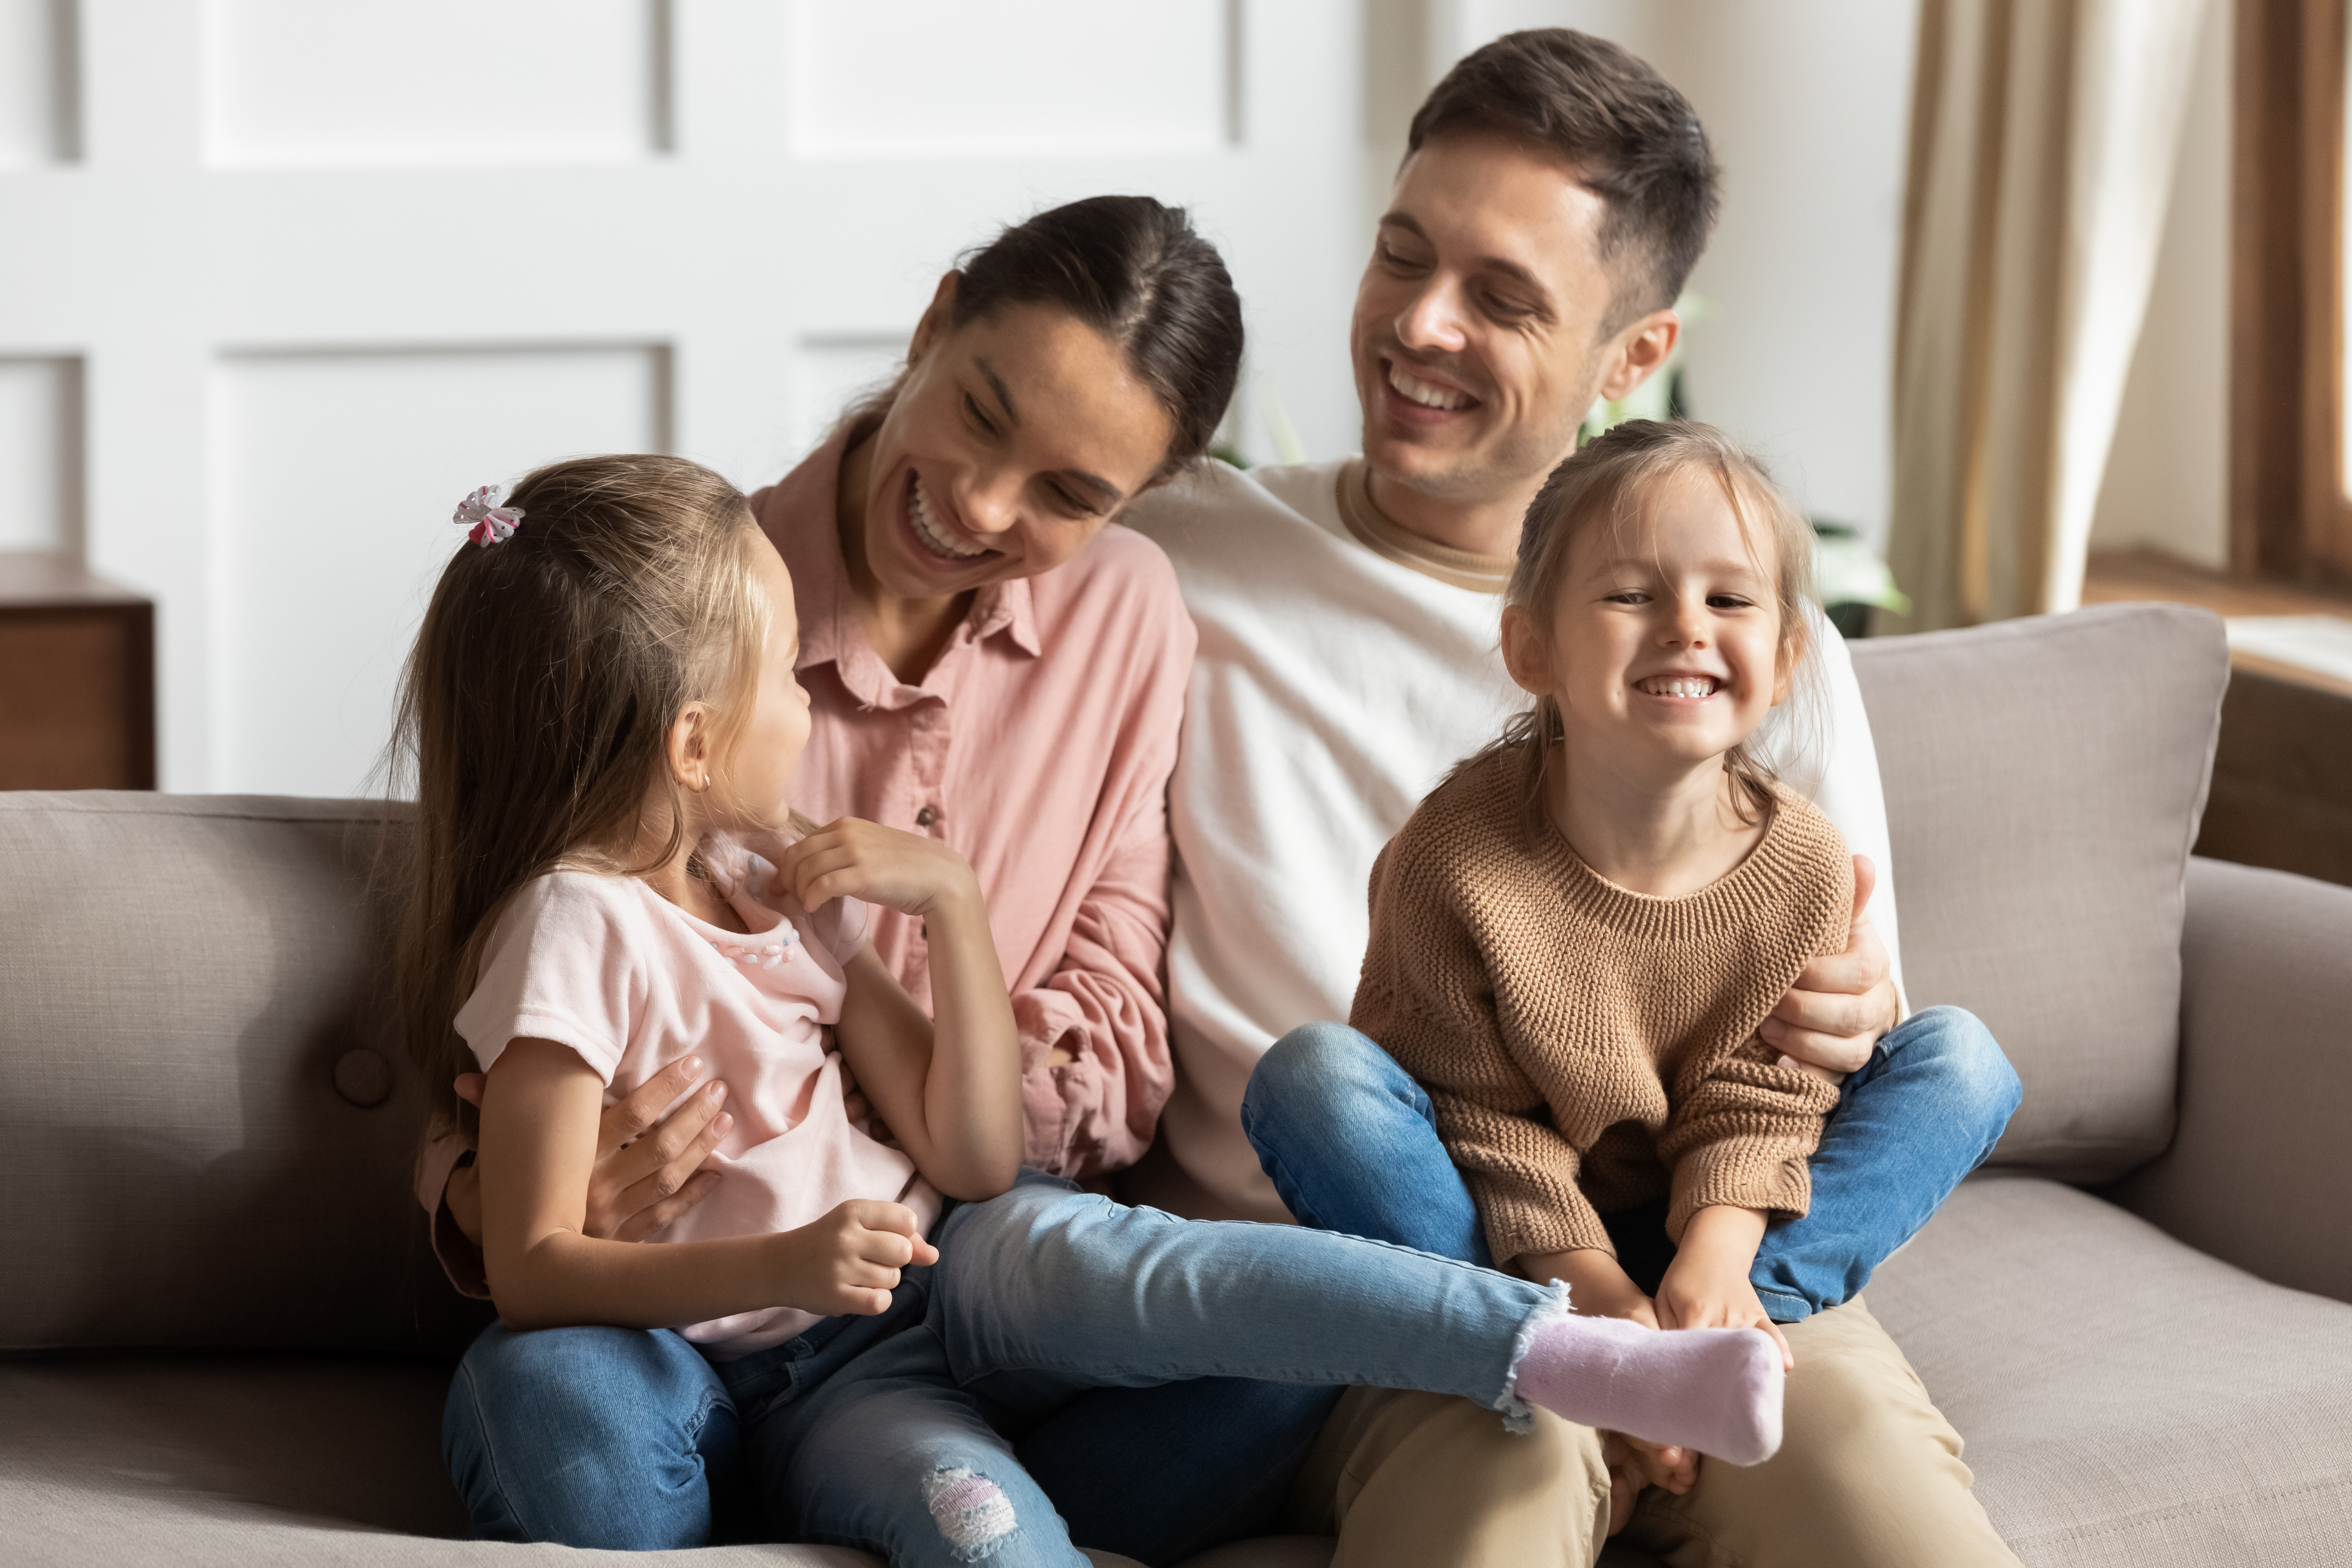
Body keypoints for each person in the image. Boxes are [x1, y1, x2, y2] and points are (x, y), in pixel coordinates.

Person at [396, 452, 1790, 1568]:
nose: (803, 710)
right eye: (779, 679)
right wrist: (790, 1263)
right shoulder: (574, 924)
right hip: (820, 1374)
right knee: (977, 1520)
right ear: (693, 743)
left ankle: (1560, 1350)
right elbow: (530, 1269)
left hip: (946, 1271)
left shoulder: (774, 879)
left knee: (1159, 1270)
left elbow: (977, 1159)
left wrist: (945, 904)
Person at [1119, 29, 2023, 1568]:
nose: (1418, 323)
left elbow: (1829, 1041)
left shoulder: (1749, 648)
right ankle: (1595, 1357)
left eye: (1502, 297)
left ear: (1631, 357)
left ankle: (1670, 1352)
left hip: (1696, 1251)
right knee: (1496, 1493)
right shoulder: (1178, 557)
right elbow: (886, 564)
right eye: (1401, 256)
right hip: (1377, 1269)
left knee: (1892, 1525)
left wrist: (1852, 1020)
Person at [415, 197, 1354, 1560]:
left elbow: (1121, 1023)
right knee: (554, 1394)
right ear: (934, 322)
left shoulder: (1128, 615)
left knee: (1290, 1345)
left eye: (1069, 494)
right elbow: (495, 946)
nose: (981, 502)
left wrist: (915, 1062)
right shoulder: (691, 601)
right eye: (980, 411)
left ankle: (904, 1481)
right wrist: (486, 1194)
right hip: (684, 1305)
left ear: (1134, 502)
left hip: (957, 1274)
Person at [1246, 420, 2022, 1564]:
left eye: (1731, 599)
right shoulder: (1456, 854)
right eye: (1630, 594)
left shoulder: (1800, 858)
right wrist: (1595, 1291)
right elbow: (1478, 1123)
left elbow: (1766, 1093)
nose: (1687, 628)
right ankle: (1591, 1352)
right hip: (1504, 1233)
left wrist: (1712, 1255)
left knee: (1964, 1059)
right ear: (1532, 647)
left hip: (1716, 1222)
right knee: (1312, 1078)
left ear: (1789, 657)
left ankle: (1714, 1332)